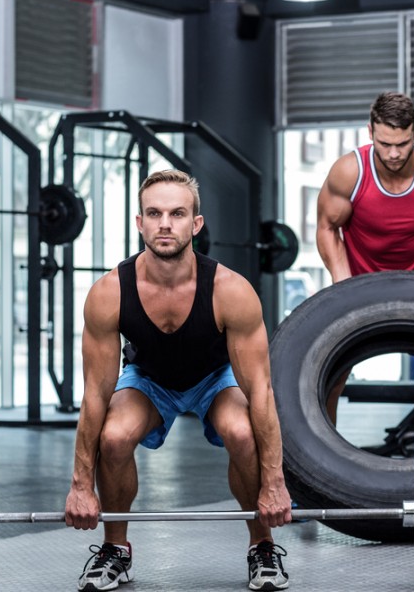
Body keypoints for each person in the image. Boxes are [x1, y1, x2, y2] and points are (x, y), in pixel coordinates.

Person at [64, 169, 293, 591]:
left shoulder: (231, 290)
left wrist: (276, 484)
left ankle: (261, 544)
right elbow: (95, 393)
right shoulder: (109, 292)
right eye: (154, 213)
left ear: (196, 224)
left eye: (177, 213)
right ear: (140, 223)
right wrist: (80, 485)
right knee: (113, 437)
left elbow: (259, 391)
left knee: (242, 432)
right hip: (149, 380)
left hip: (213, 378)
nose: (165, 223)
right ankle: (116, 550)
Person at [316, 91, 414, 440]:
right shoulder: (349, 172)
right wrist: (343, 284)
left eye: (401, 144)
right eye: (384, 143)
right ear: (370, 131)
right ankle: (321, 472)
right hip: (359, 284)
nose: (392, 154)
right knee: (328, 378)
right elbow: (327, 228)